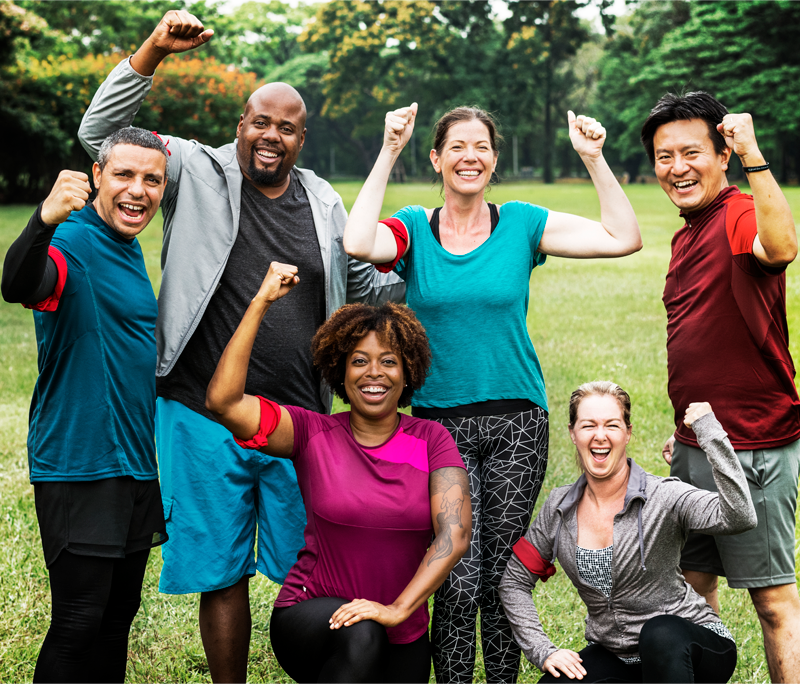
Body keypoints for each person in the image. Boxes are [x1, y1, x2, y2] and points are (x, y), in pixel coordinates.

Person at [77, 10, 404, 683]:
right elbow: (100, 136)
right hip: (200, 410)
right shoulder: (194, 168)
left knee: (312, 569)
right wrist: (152, 52)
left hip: (297, 422)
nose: (271, 135)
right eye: (260, 121)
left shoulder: (322, 201)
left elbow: (367, 278)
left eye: (286, 127)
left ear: (301, 138)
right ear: (240, 124)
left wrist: (429, 261)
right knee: (220, 572)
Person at [343, 104, 642, 683]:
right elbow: (358, 241)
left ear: (494, 159)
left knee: (502, 576)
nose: (469, 156)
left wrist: (593, 158)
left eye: (481, 146)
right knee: (455, 572)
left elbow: (623, 237)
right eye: (456, 146)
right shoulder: (412, 228)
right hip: (438, 428)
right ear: (436, 158)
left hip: (517, 423)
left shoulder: (522, 224)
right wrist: (388, 148)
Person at [204, 260, 471, 683]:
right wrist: (260, 303)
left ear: (407, 373)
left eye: (389, 362)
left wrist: (398, 610)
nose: (374, 374)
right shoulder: (311, 431)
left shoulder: (433, 439)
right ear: (340, 372)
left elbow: (454, 533)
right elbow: (223, 402)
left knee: (373, 636)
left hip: (401, 627)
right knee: (361, 632)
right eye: (359, 361)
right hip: (313, 615)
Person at [640, 92, 800, 683]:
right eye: (663, 156)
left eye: (690, 153)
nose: (677, 167)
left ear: (721, 155)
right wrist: (685, 433)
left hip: (753, 446)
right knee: (691, 591)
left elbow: (780, 248)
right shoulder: (689, 231)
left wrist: (755, 154)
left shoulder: (735, 212)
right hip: (696, 445)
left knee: (772, 600)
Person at [1, 128, 170, 683]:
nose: (138, 190)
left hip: (134, 463)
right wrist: (44, 220)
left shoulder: (124, 246)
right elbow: (20, 282)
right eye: (124, 174)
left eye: (152, 179)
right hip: (81, 460)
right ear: (97, 174)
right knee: (78, 621)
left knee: (118, 617)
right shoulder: (71, 238)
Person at [498, 381, 757, 683]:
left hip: (692, 647)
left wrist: (711, 433)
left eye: (612, 425)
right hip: (618, 654)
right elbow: (514, 580)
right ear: (572, 433)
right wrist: (543, 649)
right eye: (588, 425)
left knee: (659, 634)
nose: (600, 436)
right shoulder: (559, 508)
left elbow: (739, 515)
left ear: (628, 433)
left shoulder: (663, 496)